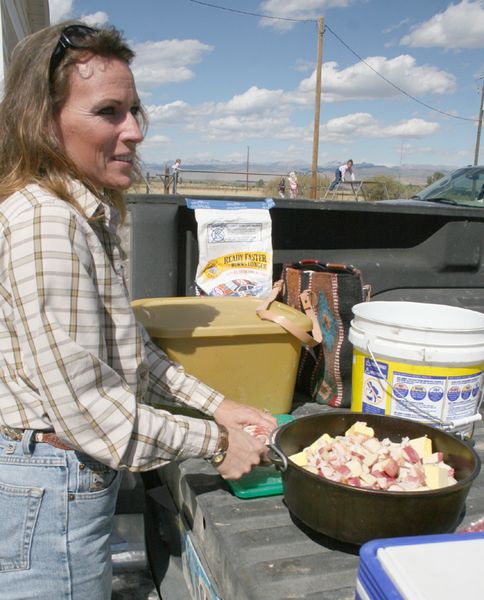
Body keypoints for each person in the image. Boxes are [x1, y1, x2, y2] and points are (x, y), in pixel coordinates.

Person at [0, 22, 276, 600]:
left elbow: (130, 348)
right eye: (108, 112)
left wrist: (221, 406)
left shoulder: (81, 213)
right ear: (43, 124)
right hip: (51, 489)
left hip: (65, 478)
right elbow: (91, 416)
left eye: (134, 111)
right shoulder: (48, 224)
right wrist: (218, 443)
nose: (132, 132)